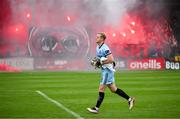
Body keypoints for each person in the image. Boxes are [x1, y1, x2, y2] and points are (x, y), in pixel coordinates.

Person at [87, 32, 135, 113]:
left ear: (102, 39)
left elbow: (111, 59)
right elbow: (100, 59)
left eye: (98, 37)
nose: (96, 38)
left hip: (108, 72)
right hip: (105, 70)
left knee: (101, 89)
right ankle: (130, 99)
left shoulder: (105, 48)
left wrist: (100, 63)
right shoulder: (97, 47)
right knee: (113, 89)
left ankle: (96, 108)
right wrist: (96, 63)